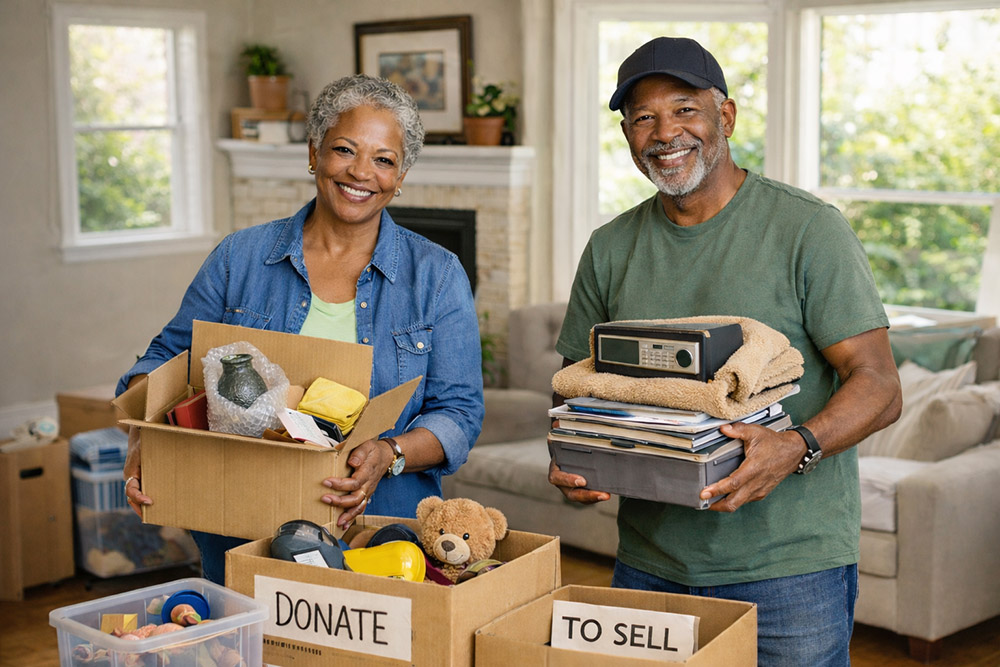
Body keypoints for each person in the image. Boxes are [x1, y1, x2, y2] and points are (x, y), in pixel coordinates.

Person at [548, 37, 902, 666]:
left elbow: (878, 385)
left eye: (684, 110)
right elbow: (574, 382)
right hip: (649, 561)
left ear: (726, 118)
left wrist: (797, 446)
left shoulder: (809, 230)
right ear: (628, 136)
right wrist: (573, 452)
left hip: (790, 568)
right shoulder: (610, 247)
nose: (664, 133)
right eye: (643, 118)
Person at [117, 74, 485, 585]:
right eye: (344, 149)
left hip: (380, 533)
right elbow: (166, 359)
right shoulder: (238, 258)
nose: (361, 172)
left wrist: (389, 452)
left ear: (401, 177)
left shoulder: (438, 276)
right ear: (314, 153)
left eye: (384, 159)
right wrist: (143, 439)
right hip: (240, 525)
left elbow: (461, 413)